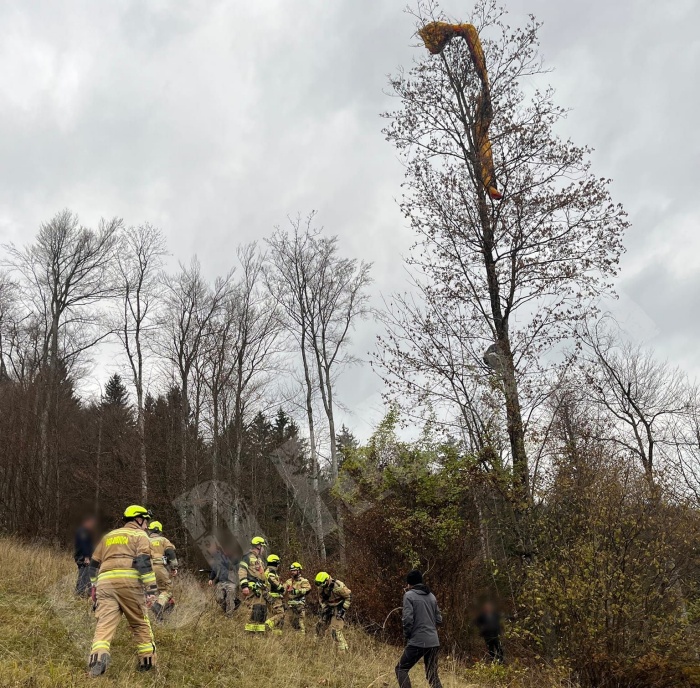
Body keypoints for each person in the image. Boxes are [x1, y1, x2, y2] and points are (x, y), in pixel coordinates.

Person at [87, 505, 158, 677]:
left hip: (105, 584)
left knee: (104, 625)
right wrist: (151, 589)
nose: (147, 525)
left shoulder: (108, 537)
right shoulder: (139, 535)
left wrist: (94, 587)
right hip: (130, 584)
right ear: (138, 519)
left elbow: (93, 565)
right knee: (140, 623)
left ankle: (98, 658)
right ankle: (146, 663)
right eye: (146, 521)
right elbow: (143, 561)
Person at [395, 569, 443, 688]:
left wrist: (407, 635)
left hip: (418, 640)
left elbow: (407, 619)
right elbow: (439, 619)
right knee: (432, 675)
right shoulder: (432, 596)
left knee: (401, 668)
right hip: (433, 641)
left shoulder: (409, 595)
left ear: (409, 584)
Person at [147, 521, 178, 622]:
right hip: (158, 568)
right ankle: (158, 607)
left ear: (150, 530)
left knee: (153, 591)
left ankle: (160, 618)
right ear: (159, 531)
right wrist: (174, 568)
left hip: (145, 570)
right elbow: (170, 553)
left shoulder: (144, 541)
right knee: (167, 590)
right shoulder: (163, 540)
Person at [238, 536, 270, 633]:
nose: (263, 550)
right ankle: (249, 633)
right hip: (253, 589)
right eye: (263, 547)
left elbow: (262, 575)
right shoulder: (247, 557)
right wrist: (244, 586)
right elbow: (242, 571)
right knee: (253, 610)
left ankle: (259, 633)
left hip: (261, 589)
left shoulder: (259, 560)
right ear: (258, 546)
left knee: (262, 611)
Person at [314, 571, 351, 651]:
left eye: (321, 584)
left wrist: (343, 610)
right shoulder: (321, 587)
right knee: (319, 627)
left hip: (339, 607)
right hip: (329, 607)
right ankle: (317, 649)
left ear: (327, 580)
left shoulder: (338, 586)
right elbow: (321, 598)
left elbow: (348, 597)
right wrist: (324, 607)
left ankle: (343, 651)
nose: (320, 586)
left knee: (336, 631)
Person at [207, 543, 237, 617]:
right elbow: (214, 569)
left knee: (229, 598)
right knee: (218, 598)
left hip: (231, 582)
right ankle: (230, 607)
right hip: (220, 581)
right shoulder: (217, 559)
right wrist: (211, 578)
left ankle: (229, 615)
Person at [284, 561, 311, 633]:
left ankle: (302, 638)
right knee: (293, 622)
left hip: (299, 604)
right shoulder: (288, 581)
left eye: (294, 570)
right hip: (291, 604)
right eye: (291, 571)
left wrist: (297, 591)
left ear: (299, 570)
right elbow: (283, 590)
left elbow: (308, 589)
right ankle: (297, 639)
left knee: (300, 622)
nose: (292, 572)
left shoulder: (303, 581)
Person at [74, 516, 96, 597]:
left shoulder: (83, 531)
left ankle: (82, 593)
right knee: (84, 575)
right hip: (83, 557)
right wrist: (86, 557)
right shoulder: (83, 532)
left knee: (83, 575)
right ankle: (81, 594)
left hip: (81, 556)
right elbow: (84, 545)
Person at [264, 554, 285, 633]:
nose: (278, 565)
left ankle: (275, 634)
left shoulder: (267, 570)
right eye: (278, 563)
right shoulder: (271, 571)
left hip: (270, 597)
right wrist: (281, 587)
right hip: (274, 597)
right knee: (281, 614)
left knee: (275, 615)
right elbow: (272, 580)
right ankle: (268, 624)